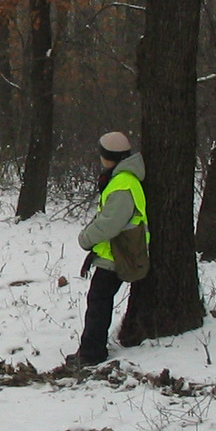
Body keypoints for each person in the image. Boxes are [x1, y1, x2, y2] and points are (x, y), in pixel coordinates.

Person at [74, 131, 147, 365]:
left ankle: (91, 353)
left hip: (118, 255)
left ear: (107, 157)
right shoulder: (124, 178)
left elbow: (110, 224)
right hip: (118, 252)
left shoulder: (122, 183)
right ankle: (91, 351)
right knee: (99, 302)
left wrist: (86, 239)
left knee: (98, 304)